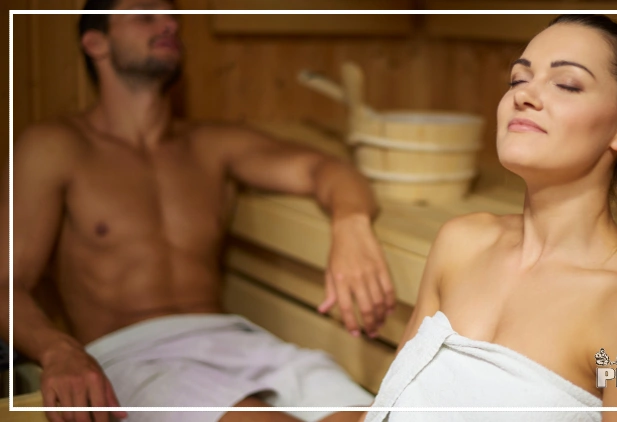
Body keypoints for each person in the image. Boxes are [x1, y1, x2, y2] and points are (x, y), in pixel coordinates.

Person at [2, 0, 398, 421]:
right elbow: (7, 282)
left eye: (172, 15)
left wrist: (351, 225)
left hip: (239, 340)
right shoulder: (54, 147)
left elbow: (327, 170)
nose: (169, 23)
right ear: (95, 42)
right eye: (145, 15)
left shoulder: (210, 145)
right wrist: (58, 350)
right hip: (133, 356)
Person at [362, 15, 617, 422]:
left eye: (567, 84)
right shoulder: (461, 243)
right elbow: (388, 407)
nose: (523, 96)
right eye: (518, 80)